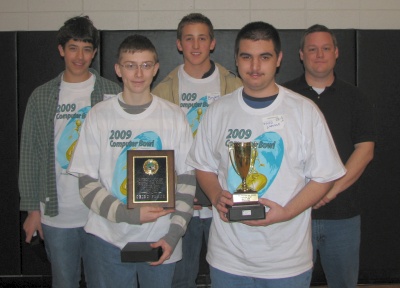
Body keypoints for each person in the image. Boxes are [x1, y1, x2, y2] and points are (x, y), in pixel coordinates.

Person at [186, 21, 347, 288]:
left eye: (265, 57)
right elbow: (203, 165)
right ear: (236, 60)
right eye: (247, 57)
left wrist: (286, 212)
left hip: (286, 261)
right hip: (229, 259)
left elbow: (325, 176)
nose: (255, 66)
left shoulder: (304, 111)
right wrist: (215, 195)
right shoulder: (218, 111)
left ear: (279, 60)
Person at [68, 34, 195, 288]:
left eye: (146, 65)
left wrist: (173, 235)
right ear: (118, 69)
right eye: (130, 65)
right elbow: (86, 183)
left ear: (156, 69)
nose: (139, 73)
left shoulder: (173, 116)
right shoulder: (99, 115)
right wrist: (129, 214)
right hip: (108, 237)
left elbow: (186, 182)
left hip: (161, 238)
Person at [18, 16, 121, 287]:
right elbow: (30, 154)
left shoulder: (112, 92)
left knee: (104, 282)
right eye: (73, 48)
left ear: (95, 52)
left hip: (101, 213)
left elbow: (122, 153)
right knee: (64, 282)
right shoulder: (42, 96)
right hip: (58, 213)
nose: (80, 56)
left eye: (87, 49)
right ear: (61, 49)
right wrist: (32, 210)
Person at [152, 12, 242, 288]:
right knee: (181, 279)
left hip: (223, 199)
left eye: (202, 38)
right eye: (188, 38)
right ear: (179, 44)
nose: (195, 45)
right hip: (183, 202)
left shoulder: (234, 86)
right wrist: (172, 193)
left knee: (228, 276)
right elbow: (155, 149)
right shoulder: (162, 90)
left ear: (212, 43)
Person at [283, 24, 375, 288]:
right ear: (301, 54)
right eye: (312, 49)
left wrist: (328, 191)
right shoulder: (284, 97)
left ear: (336, 53)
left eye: (325, 48)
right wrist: (307, 198)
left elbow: (365, 150)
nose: (319, 55)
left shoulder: (356, 98)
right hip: (295, 216)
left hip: (343, 217)